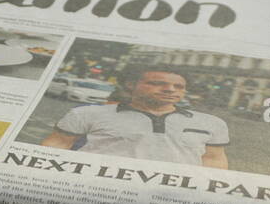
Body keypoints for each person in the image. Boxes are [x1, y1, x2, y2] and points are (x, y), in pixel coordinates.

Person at [41, 67, 230, 169]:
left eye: (179, 87)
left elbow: (214, 161)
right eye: (157, 83)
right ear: (131, 85)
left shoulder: (211, 123)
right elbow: (56, 146)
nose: (170, 90)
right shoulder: (87, 113)